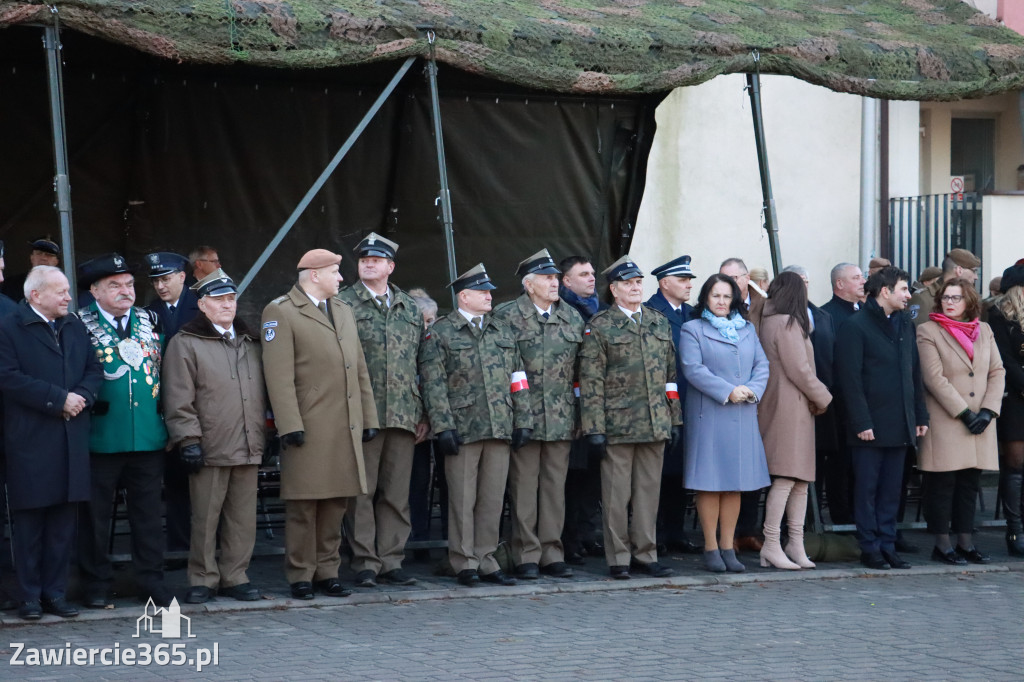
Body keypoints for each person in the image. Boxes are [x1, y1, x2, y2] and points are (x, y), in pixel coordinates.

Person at [261, 249, 379, 600]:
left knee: (335, 502)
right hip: (308, 425)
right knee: (304, 503)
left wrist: (369, 417)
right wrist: (289, 424)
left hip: (344, 424)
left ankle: (328, 570)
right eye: (335, 272)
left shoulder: (343, 310)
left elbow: (358, 369)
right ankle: (301, 573)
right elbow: (278, 376)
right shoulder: (280, 311)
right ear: (314, 275)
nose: (341, 278)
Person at [0, 266, 102, 620]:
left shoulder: (74, 326)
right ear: (35, 296)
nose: (68, 297)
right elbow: (7, 377)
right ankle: (28, 597)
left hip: (71, 438)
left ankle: (55, 594)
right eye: (60, 291)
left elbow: (94, 368)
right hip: (30, 440)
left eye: (67, 291)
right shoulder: (9, 327)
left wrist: (82, 396)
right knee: (29, 525)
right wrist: (56, 399)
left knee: (62, 525)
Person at [421, 263, 532, 587]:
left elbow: (518, 379)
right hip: (463, 428)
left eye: (489, 292)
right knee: (462, 498)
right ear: (464, 296)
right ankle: (463, 560)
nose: (489, 297)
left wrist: (522, 419)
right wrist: (443, 426)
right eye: (483, 292)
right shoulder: (441, 333)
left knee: (491, 499)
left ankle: (486, 559)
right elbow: (434, 383)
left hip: (499, 426)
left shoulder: (501, 331)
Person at [163, 269, 267, 603]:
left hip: (248, 442)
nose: (227, 305)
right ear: (202, 305)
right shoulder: (185, 342)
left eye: (231, 298)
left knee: (242, 518)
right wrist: (188, 439)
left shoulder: (250, 341)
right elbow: (178, 397)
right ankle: (203, 578)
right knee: (205, 518)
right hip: (209, 444)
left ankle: (236, 576)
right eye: (219, 299)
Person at [76, 253, 172, 608]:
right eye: (114, 285)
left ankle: (151, 581)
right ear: (95, 291)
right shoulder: (78, 324)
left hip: (146, 435)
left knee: (148, 518)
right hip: (99, 437)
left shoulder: (151, 320)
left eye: (129, 284)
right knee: (95, 519)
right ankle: (96, 584)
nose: (125, 291)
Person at [580, 254, 681, 580]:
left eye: (638, 282)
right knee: (616, 496)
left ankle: (645, 554)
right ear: (614, 289)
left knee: (648, 495)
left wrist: (674, 418)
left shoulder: (656, 321)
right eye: (628, 283)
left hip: (654, 423)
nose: (636, 288)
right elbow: (592, 382)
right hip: (618, 426)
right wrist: (593, 428)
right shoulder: (600, 327)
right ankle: (619, 558)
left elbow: (670, 377)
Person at [338, 233, 426, 588]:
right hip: (363, 414)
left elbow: (423, 363)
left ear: (390, 266)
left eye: (376, 260)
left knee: (395, 493)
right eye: (363, 259)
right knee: (361, 492)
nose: (368, 263)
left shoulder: (409, 307)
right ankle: (364, 562)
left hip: (404, 413)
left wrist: (425, 414)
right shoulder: (343, 304)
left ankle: (392, 559)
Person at [494, 249, 584, 580]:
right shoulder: (506, 316)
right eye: (547, 279)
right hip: (524, 418)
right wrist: (516, 417)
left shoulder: (571, 317)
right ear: (529, 284)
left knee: (554, 489)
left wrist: (579, 415)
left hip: (561, 419)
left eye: (556, 278)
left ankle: (551, 551)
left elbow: (579, 373)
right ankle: (526, 553)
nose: (554, 283)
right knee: (523, 488)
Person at [835, 266, 928, 570]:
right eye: (903, 289)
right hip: (870, 427)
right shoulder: (856, 326)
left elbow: (913, 373)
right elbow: (850, 380)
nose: (908, 295)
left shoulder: (904, 324)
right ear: (885, 291)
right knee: (867, 490)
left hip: (900, 422)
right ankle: (870, 547)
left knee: (891, 491)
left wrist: (919, 414)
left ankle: (888, 545)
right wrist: (861, 422)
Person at [681, 273, 770, 573]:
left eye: (726, 296)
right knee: (710, 484)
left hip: (743, 414)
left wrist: (753, 390)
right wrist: (727, 391)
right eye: (715, 296)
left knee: (735, 484)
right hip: (711, 414)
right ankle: (710, 547)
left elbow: (762, 365)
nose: (721, 301)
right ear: (706, 298)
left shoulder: (747, 329)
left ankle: (727, 545)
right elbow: (693, 369)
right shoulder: (692, 329)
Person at [916, 278, 1004, 565]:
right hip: (948, 418)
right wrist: (964, 413)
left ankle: (965, 542)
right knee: (943, 484)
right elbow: (934, 378)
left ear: (970, 302)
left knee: (970, 483)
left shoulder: (985, 330)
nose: (950, 303)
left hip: (981, 420)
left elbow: (997, 371)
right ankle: (942, 544)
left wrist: (988, 411)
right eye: (946, 298)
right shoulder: (928, 330)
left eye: (956, 298)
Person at [756, 272, 832, 569]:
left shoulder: (771, 320)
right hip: (790, 408)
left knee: (799, 480)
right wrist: (824, 397)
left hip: (790, 407)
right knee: (788, 478)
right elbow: (799, 369)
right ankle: (772, 544)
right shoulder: (786, 324)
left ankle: (794, 544)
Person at [144, 251, 202, 564]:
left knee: (207, 485)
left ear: (183, 275)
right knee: (177, 484)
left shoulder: (202, 306)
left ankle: (210, 549)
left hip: (201, 405)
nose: (160, 286)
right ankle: (180, 547)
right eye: (155, 280)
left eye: (165, 278)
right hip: (165, 406)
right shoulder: (149, 312)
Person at [644, 255, 700, 554]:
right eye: (682, 280)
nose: (689, 284)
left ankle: (675, 531)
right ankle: (654, 534)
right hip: (661, 402)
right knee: (658, 471)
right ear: (665, 283)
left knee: (681, 471)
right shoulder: (652, 311)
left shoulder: (692, 314)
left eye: (690, 279)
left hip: (690, 401)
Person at [558, 255, 607, 563]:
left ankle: (587, 535)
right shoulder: (565, 311)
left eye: (592, 273)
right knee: (571, 477)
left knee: (593, 475)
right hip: (570, 406)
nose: (592, 278)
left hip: (597, 405)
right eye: (584, 274)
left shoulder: (599, 311)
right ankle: (569, 539)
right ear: (566, 281)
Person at [719, 257, 765, 552]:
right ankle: (729, 534)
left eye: (733, 278)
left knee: (753, 468)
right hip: (726, 395)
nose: (728, 284)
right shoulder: (719, 308)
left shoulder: (764, 303)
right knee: (728, 467)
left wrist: (753, 388)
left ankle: (749, 530)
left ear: (746, 278)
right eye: (723, 278)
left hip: (756, 396)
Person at [819, 262, 866, 525]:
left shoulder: (863, 312)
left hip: (862, 404)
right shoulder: (826, 316)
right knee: (840, 466)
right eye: (856, 277)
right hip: (838, 406)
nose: (863, 281)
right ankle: (843, 520)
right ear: (840, 284)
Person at [989, 260, 1024, 556]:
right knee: (1015, 464)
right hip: (1015, 396)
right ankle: (1015, 530)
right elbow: (1003, 358)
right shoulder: (999, 315)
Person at [406, 288, 442, 556]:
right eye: (423, 320)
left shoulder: (438, 344)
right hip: (404, 423)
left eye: (432, 320)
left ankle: (420, 538)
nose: (427, 326)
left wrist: (429, 418)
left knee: (422, 484)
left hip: (431, 426)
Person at [909, 248, 980, 326]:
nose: (976, 277)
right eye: (974, 271)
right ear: (959, 270)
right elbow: (918, 332)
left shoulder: (970, 297)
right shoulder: (924, 298)